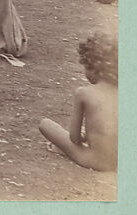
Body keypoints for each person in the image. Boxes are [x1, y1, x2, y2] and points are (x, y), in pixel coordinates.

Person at [39, 30, 118, 171]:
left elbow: (74, 138)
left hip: (96, 161)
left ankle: (64, 150)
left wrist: (82, 137)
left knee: (45, 124)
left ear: (93, 68)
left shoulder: (83, 93)